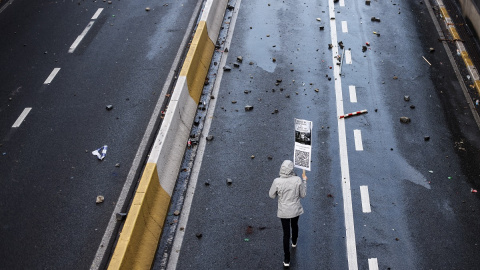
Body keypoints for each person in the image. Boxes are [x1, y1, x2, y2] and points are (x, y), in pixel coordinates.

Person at [269, 160, 307, 267]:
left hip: (283, 211)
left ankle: (286, 259)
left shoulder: (277, 181)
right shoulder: (297, 180)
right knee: (294, 225)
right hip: (295, 209)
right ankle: (294, 242)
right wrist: (304, 181)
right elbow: (303, 195)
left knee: (286, 234)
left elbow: (271, 195)